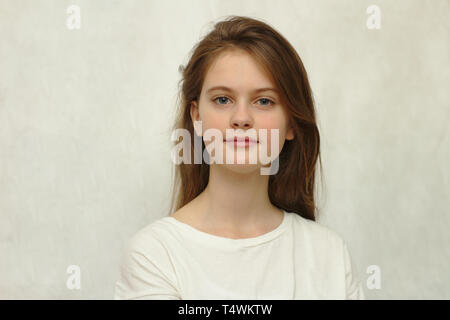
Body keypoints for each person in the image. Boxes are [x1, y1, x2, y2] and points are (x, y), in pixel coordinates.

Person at [114, 15, 365, 300]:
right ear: (197, 116)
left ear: (292, 123)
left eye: (264, 101)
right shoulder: (154, 255)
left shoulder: (330, 254)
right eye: (223, 99)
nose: (242, 118)